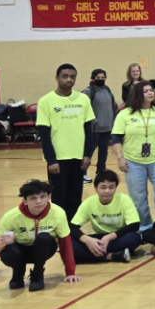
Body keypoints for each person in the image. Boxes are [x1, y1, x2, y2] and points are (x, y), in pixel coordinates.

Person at [0, 178, 80, 291]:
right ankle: (18, 273)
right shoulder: (11, 216)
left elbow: (66, 244)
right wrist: (0, 246)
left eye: (42, 197)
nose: (39, 201)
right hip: (20, 252)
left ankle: (37, 274)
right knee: (9, 251)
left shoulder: (58, 213)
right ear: (25, 201)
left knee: (43, 237)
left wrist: (70, 272)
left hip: (44, 250)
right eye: (33, 198)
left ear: (49, 197)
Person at [35, 63, 95, 223]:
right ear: (57, 78)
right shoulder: (45, 101)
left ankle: (73, 232)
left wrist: (88, 154)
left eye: (72, 76)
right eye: (65, 76)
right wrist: (51, 160)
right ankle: (60, 232)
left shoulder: (83, 99)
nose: (69, 80)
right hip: (58, 160)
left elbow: (89, 130)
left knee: (75, 198)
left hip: (79, 158)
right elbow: (44, 135)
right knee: (59, 199)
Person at [111, 81, 155, 231]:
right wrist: (120, 158)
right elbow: (116, 137)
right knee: (138, 199)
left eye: (151, 90)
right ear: (138, 94)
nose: (151, 93)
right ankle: (144, 227)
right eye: (146, 91)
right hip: (133, 161)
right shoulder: (125, 114)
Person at [69, 170, 141, 263]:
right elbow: (72, 227)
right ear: (95, 188)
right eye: (103, 187)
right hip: (97, 238)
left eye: (111, 187)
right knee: (68, 242)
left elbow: (134, 225)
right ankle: (112, 256)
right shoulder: (89, 202)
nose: (107, 191)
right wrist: (87, 240)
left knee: (134, 238)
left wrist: (108, 237)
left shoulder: (124, 199)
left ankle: (89, 255)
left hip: (117, 237)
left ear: (116, 187)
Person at [79, 70, 116, 180]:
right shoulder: (89, 90)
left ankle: (100, 172)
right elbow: (83, 105)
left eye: (103, 77)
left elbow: (112, 105)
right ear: (93, 78)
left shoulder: (107, 89)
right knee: (89, 151)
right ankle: (82, 173)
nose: (101, 79)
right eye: (98, 77)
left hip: (107, 127)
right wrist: (93, 120)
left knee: (103, 151)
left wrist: (113, 120)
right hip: (94, 128)